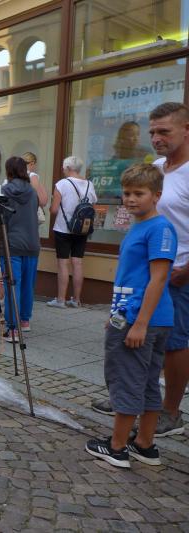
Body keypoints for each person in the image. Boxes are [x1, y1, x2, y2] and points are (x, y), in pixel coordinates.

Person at [85, 163, 177, 468]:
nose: (130, 199)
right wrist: (117, 314)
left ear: (157, 195)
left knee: (127, 380)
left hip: (144, 320)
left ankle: (116, 447)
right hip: (132, 316)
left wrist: (139, 323)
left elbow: (158, 279)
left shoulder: (159, 228)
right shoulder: (140, 226)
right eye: (126, 193)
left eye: (139, 193)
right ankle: (144, 444)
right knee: (147, 382)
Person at [147, 102, 189, 436]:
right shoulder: (156, 168)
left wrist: (186, 270)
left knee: (175, 342)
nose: (156, 138)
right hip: (151, 270)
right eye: (152, 132)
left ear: (186, 130)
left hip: (180, 273)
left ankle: (171, 412)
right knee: (145, 335)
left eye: (164, 131)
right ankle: (134, 397)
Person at [0, 156, 41, 342]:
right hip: (32, 243)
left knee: (12, 285)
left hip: (12, 244)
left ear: (9, 170)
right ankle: (24, 320)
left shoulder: (5, 190)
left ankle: (12, 328)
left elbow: (2, 219)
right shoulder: (32, 191)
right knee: (27, 285)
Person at [48, 156, 97, 309]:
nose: (63, 170)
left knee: (63, 263)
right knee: (77, 262)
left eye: (64, 168)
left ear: (68, 168)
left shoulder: (62, 184)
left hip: (63, 228)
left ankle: (61, 300)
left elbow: (54, 210)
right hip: (82, 229)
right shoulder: (89, 184)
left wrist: (51, 207)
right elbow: (93, 206)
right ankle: (76, 300)